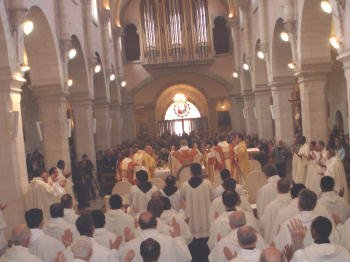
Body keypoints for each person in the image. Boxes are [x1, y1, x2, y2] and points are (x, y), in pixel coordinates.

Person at [273, 189, 338, 251]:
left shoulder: (288, 224)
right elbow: (336, 241)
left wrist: (278, 234)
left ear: (298, 205)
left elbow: (278, 248)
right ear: (315, 204)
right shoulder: (324, 223)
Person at [119, 211, 191, 262]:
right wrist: (178, 237)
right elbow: (186, 258)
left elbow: (121, 258)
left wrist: (128, 242)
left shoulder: (130, 244)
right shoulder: (169, 241)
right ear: (156, 223)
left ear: (139, 226)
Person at [180, 163, 213, 261]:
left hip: (191, 221)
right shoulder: (207, 184)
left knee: (193, 250)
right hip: (205, 220)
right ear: (201, 171)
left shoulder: (185, 185)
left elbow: (182, 200)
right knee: (205, 251)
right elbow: (212, 197)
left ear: (191, 172)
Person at [286, 216, 350, 261]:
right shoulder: (344, 252)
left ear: (313, 232)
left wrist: (290, 258)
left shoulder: (306, 253)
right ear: (330, 231)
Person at [259, 178, 292, 244]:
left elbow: (264, 226)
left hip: (274, 244)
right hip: (290, 243)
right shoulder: (294, 205)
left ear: (277, 189)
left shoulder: (270, 207)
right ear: (290, 188)